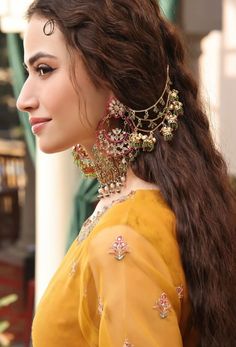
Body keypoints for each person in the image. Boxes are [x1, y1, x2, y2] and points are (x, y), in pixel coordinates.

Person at [16, 0, 236, 346]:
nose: (23, 98)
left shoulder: (123, 240)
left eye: (44, 69)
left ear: (111, 75)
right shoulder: (153, 207)